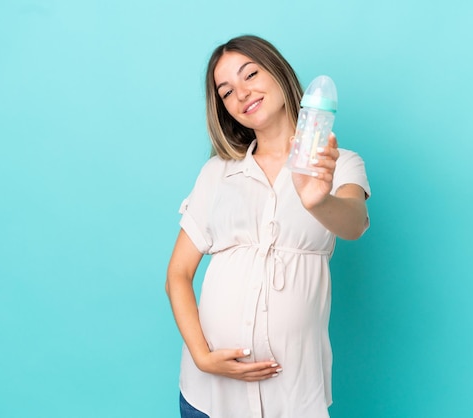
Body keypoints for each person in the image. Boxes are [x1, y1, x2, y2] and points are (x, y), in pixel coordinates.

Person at [165, 35, 371, 418]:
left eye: (250, 74)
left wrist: (317, 200)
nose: (241, 93)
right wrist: (202, 357)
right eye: (227, 91)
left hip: (292, 396)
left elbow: (355, 223)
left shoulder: (338, 163)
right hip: (209, 395)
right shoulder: (217, 173)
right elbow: (177, 273)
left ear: (278, 71)